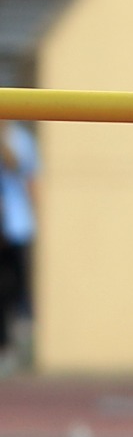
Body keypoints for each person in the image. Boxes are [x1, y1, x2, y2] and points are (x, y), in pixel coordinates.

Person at [0, 120, 36, 371]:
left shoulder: (21, 139)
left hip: (16, 224)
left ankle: (15, 345)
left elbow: (28, 175)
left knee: (16, 287)